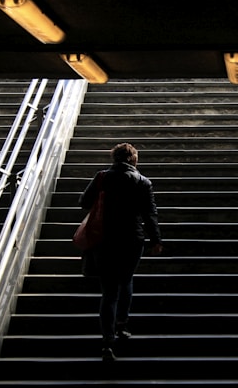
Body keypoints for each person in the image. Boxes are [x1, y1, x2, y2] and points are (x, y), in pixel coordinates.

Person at [78, 142, 163, 362]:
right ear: (134, 160)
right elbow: (149, 214)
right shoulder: (143, 182)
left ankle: (107, 341)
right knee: (126, 280)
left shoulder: (102, 177)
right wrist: (155, 239)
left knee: (109, 290)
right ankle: (122, 324)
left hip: (104, 238)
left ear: (114, 159)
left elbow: (83, 202)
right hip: (132, 240)